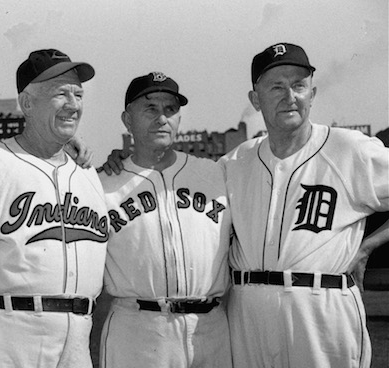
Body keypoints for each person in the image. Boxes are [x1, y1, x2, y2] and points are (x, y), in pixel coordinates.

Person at [220, 42, 389, 368]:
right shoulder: (234, 162)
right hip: (248, 312)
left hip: (320, 307)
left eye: (299, 85)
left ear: (312, 94)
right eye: (276, 87)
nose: (290, 96)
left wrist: (369, 246)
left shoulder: (348, 148)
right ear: (256, 100)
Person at [0, 48, 109, 368]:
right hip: (13, 332)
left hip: (78, 337)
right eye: (61, 94)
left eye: (78, 94)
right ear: (27, 103)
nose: (73, 105)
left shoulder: (87, 173)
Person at [97, 72, 232, 368]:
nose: (162, 118)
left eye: (170, 109)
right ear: (127, 120)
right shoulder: (102, 184)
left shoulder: (215, 174)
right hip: (138, 331)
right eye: (150, 108)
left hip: (210, 329)